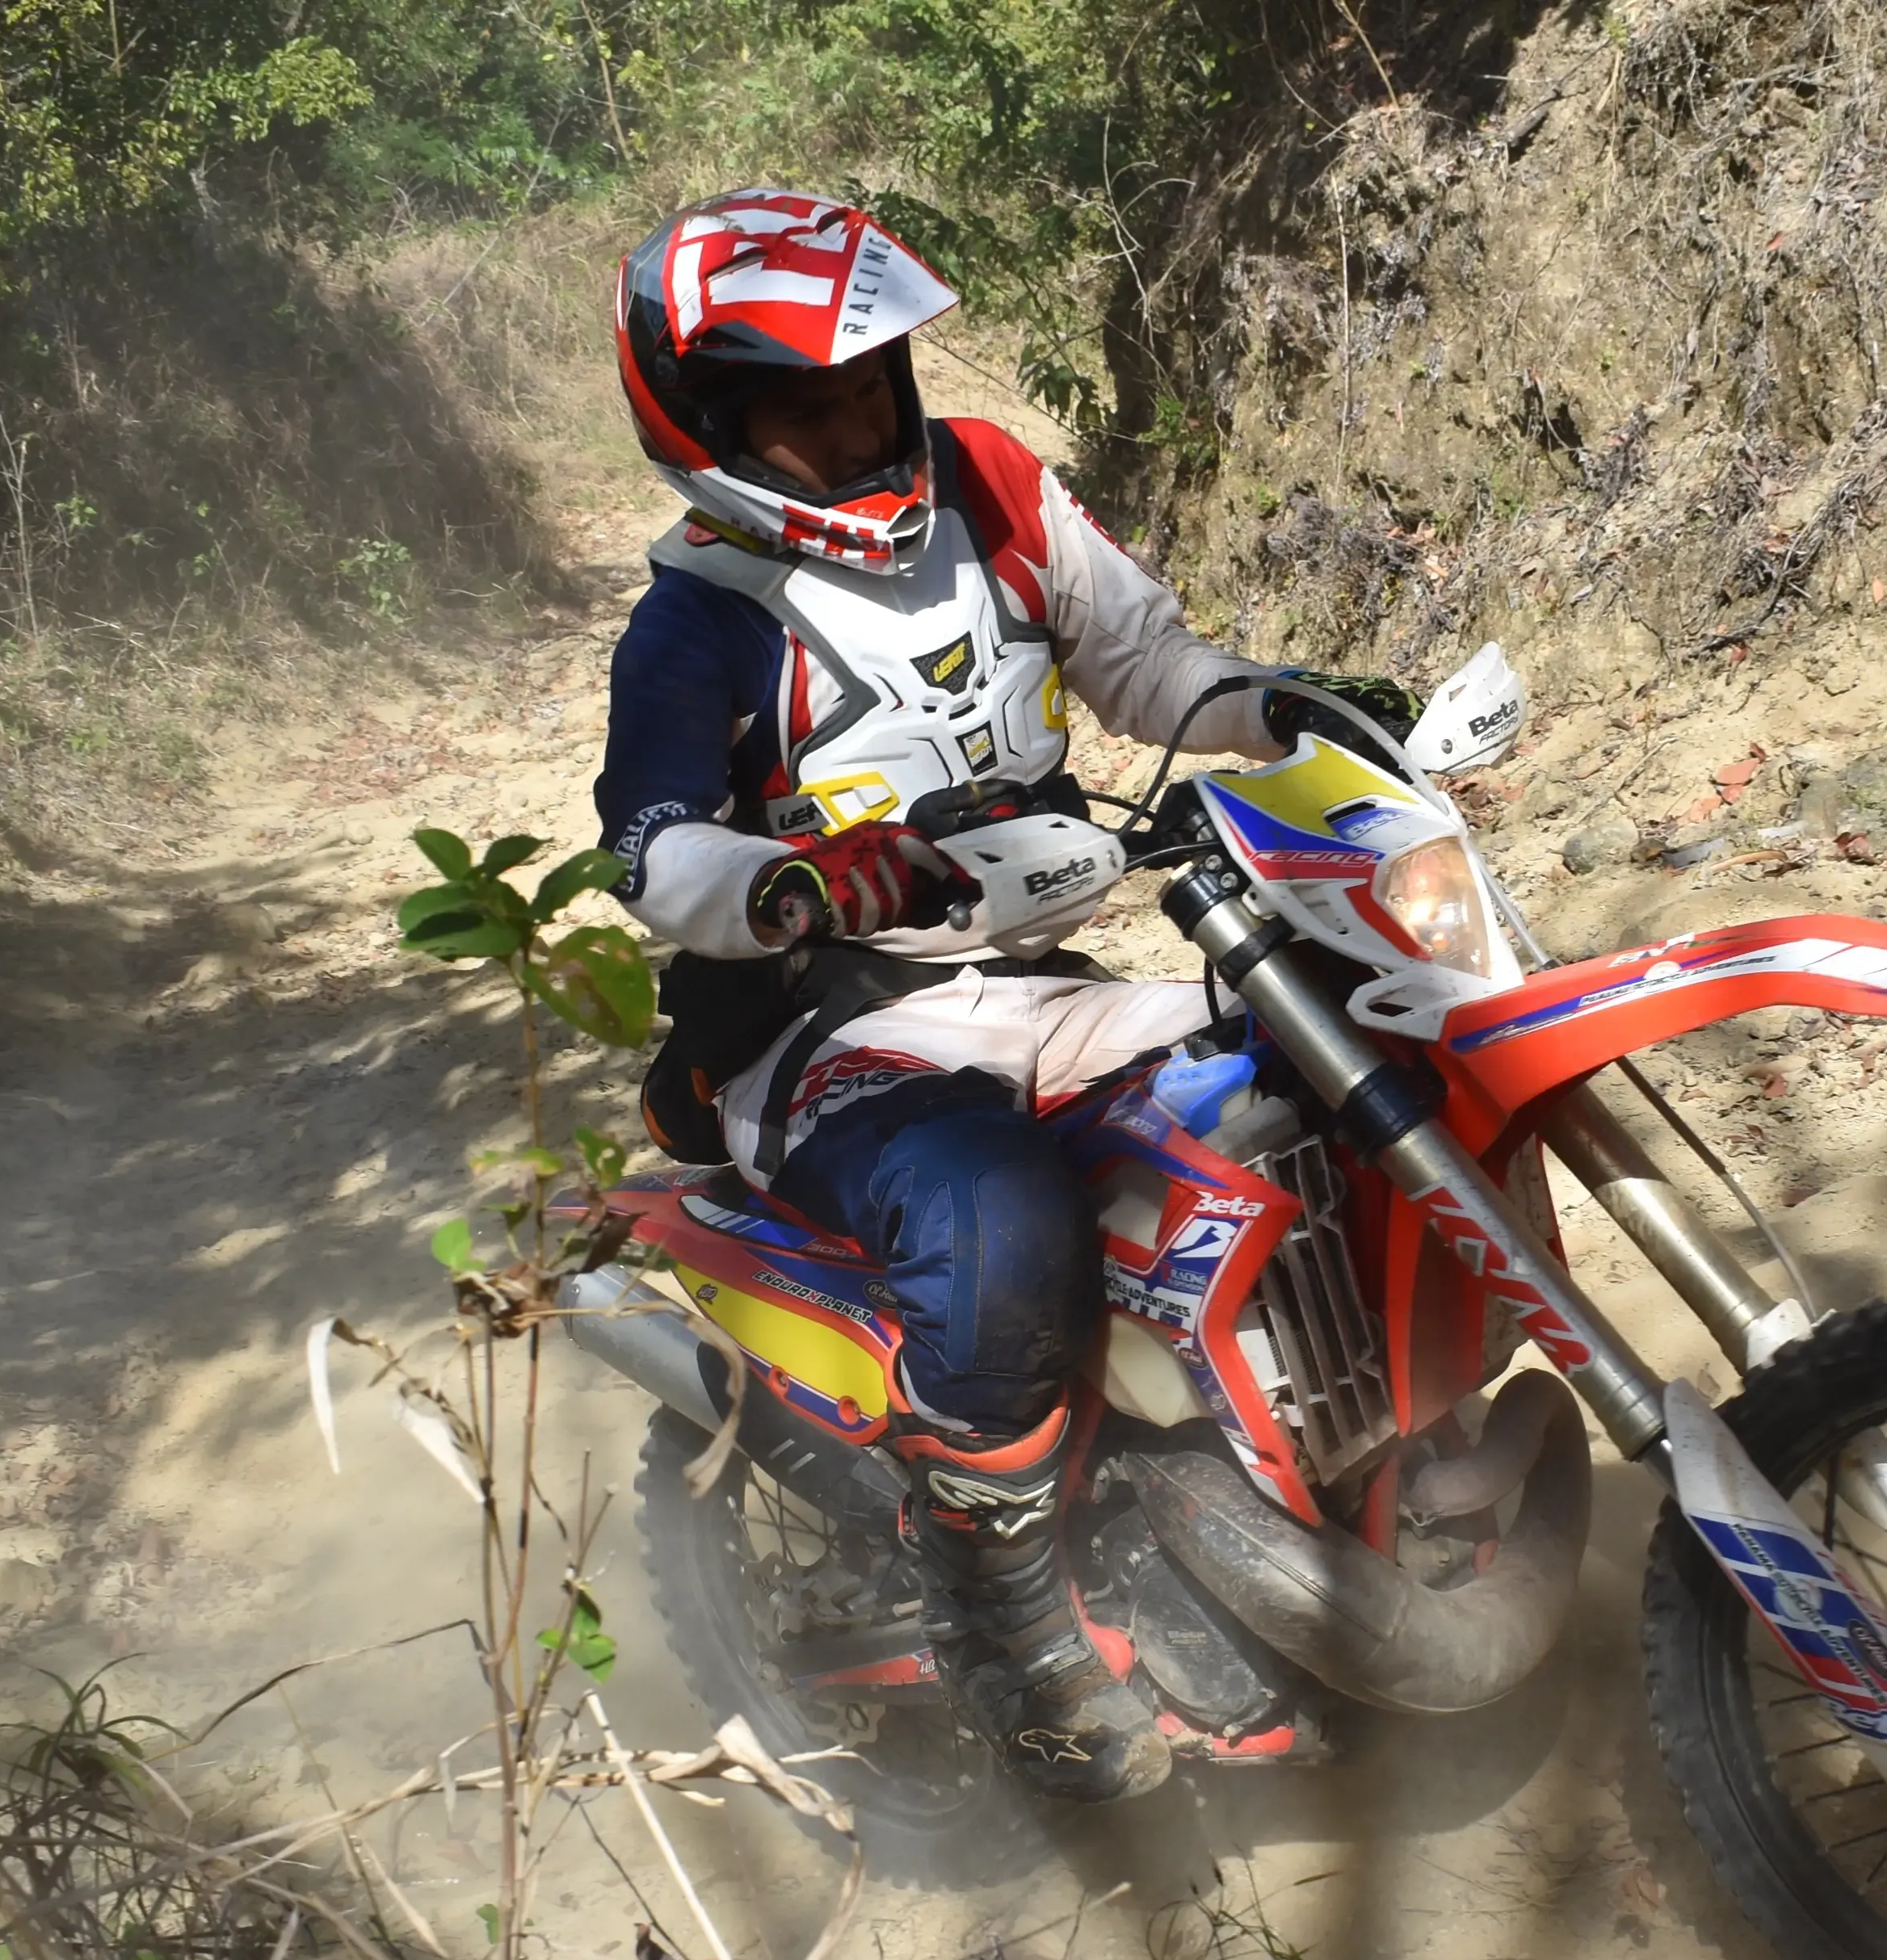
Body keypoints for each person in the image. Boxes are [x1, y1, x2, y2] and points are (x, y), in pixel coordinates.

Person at [592, 191, 1409, 1804]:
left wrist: (1295, 709)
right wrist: (795, 883)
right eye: (804, 406)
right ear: (710, 429)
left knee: (1309, 1087)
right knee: (999, 1216)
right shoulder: (695, 620)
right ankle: (1007, 1629)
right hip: (827, 1029)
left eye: (867, 383)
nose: (853, 422)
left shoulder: (994, 486)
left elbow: (1157, 676)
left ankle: (1304, 1482)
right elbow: (649, 849)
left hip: (1035, 979)